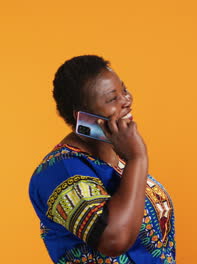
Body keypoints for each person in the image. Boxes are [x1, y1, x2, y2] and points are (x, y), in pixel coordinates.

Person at [29, 55, 175, 264]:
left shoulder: (120, 158)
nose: (127, 100)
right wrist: (138, 158)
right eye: (112, 99)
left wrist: (132, 159)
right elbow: (114, 240)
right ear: (83, 116)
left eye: (124, 90)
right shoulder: (61, 170)